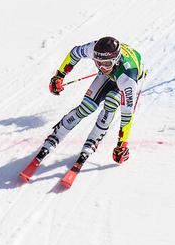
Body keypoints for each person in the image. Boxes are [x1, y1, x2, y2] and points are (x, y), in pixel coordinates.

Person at [38, 36, 145, 167]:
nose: (102, 67)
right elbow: (74, 53)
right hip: (113, 73)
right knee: (86, 107)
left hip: (124, 74)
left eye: (106, 64)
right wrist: (59, 76)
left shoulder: (128, 79)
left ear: (116, 60)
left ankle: (94, 138)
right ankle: (57, 134)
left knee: (112, 102)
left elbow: (127, 115)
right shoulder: (94, 49)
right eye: (97, 63)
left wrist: (121, 145)